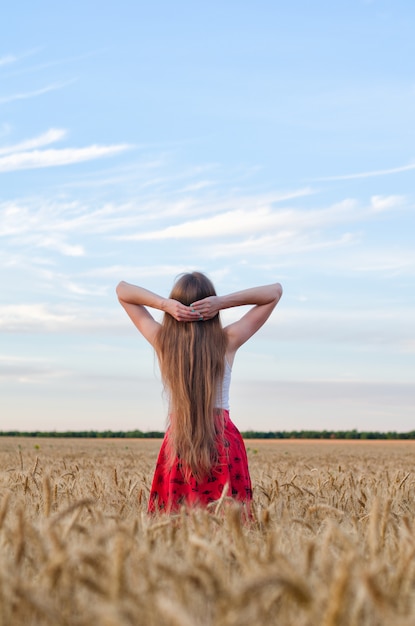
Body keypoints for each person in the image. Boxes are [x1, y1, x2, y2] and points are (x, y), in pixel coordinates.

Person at [116, 272, 282, 513]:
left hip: (179, 442)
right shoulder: (227, 340)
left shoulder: (162, 341)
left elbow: (122, 290)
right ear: (211, 308)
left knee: (174, 527)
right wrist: (222, 302)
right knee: (230, 528)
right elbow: (274, 292)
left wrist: (164, 305)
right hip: (223, 444)